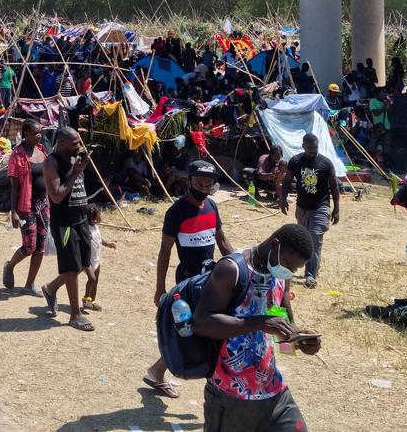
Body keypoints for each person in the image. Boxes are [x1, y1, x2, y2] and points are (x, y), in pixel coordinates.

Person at [193, 223, 319, 432]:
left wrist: (300, 343)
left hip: (273, 392)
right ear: (275, 245)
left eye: (294, 270)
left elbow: (281, 334)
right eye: (288, 264)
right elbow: (202, 323)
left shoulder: (281, 277)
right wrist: (260, 322)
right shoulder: (231, 269)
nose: (289, 272)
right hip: (230, 395)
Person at [145, 159, 235, 399]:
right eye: (199, 183)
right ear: (189, 181)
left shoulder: (212, 207)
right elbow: (165, 251)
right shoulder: (176, 213)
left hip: (211, 280)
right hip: (188, 284)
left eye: (208, 185)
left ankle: (156, 371)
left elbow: (222, 241)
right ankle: (212, 383)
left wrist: (240, 266)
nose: (203, 188)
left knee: (198, 331)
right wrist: (159, 289)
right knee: (197, 330)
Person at [41, 125, 95, 332]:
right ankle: (75, 315)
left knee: (82, 264)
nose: (78, 146)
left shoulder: (76, 159)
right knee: (71, 268)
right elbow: (56, 196)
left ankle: (51, 288)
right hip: (64, 224)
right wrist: (76, 173)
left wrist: (80, 168)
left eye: (79, 142)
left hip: (81, 220)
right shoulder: (51, 162)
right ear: (61, 143)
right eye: (74, 144)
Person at [278, 132, 339, 288]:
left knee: (315, 238)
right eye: (310, 148)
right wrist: (282, 199)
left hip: (321, 207)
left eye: (315, 147)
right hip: (302, 207)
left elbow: (334, 187)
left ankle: (310, 274)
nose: (313, 150)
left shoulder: (326, 163)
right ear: (303, 146)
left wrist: (336, 209)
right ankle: (295, 266)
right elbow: (286, 181)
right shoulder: (296, 161)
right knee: (303, 239)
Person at [3, 120, 48, 296]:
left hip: (43, 205)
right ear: (26, 133)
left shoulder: (43, 151)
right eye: (36, 133)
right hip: (25, 206)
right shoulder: (18, 155)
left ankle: (29, 285)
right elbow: (14, 187)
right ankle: (10, 265)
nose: (40, 135)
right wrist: (13, 211)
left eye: (40, 132)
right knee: (29, 245)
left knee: (40, 247)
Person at [82, 203, 114, 312]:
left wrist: (108, 244)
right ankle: (86, 299)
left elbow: (99, 239)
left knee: (96, 281)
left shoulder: (96, 227)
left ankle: (92, 301)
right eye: (99, 214)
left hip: (96, 259)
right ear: (94, 218)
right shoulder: (86, 229)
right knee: (92, 279)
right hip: (87, 260)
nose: (101, 216)